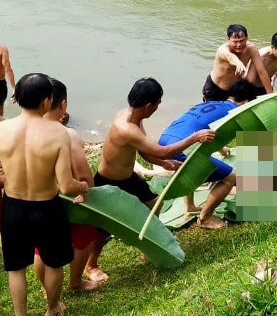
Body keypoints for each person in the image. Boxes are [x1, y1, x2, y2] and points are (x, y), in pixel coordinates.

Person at [0, 73, 89, 316]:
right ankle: (52, 307)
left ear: (16, 99)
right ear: (46, 101)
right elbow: (65, 185)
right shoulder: (58, 133)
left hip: (14, 207)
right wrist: (83, 187)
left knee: (16, 267)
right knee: (54, 263)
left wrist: (0, 203)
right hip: (47, 208)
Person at [84, 79, 216, 274]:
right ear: (148, 106)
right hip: (109, 181)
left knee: (155, 203)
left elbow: (143, 149)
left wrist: (163, 164)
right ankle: (91, 266)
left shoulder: (134, 118)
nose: (157, 108)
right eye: (157, 104)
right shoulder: (126, 127)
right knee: (104, 226)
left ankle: (148, 243)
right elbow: (162, 151)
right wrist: (193, 138)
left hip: (128, 178)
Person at [157, 80, 263, 229]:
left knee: (190, 169)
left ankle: (190, 207)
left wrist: (222, 150)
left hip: (164, 140)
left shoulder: (212, 104)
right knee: (230, 177)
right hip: (181, 147)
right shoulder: (233, 113)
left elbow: (211, 131)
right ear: (247, 101)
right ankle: (205, 218)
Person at [34, 77, 105, 291]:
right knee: (83, 238)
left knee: (41, 249)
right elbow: (83, 174)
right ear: (63, 105)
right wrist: (87, 190)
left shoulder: (25, 133)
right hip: (70, 196)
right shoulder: (69, 135)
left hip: (40, 199)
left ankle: (47, 289)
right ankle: (75, 282)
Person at [202, 25, 271, 102]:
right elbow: (230, 57)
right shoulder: (223, 50)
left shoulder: (251, 49)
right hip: (215, 89)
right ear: (228, 40)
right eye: (235, 42)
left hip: (234, 91)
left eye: (242, 41)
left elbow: (261, 71)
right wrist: (238, 63)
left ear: (247, 38)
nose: (239, 45)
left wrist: (270, 94)